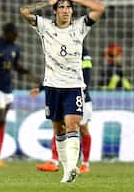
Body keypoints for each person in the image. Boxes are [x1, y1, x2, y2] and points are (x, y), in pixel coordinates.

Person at [20, 0, 104, 183]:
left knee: (73, 124)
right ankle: (67, 169)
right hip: (52, 87)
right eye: (62, 7)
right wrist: (47, 2)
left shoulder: (80, 26)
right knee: (59, 129)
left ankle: (71, 170)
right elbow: (24, 11)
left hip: (74, 86)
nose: (66, 10)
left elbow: (99, 8)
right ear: (55, 11)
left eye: (69, 7)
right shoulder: (45, 26)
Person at [0, 22, 38, 167]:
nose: (16, 37)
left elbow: (15, 66)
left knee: (2, 120)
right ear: (6, 33)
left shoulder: (15, 48)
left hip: (7, 88)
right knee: (0, 118)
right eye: (14, 34)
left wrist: (27, 72)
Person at [31, 46, 93, 174]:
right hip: (63, 93)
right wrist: (40, 88)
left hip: (81, 95)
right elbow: (55, 73)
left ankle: (85, 164)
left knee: (83, 128)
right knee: (59, 126)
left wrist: (83, 91)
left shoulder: (83, 50)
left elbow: (87, 72)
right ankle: (54, 161)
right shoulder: (58, 48)